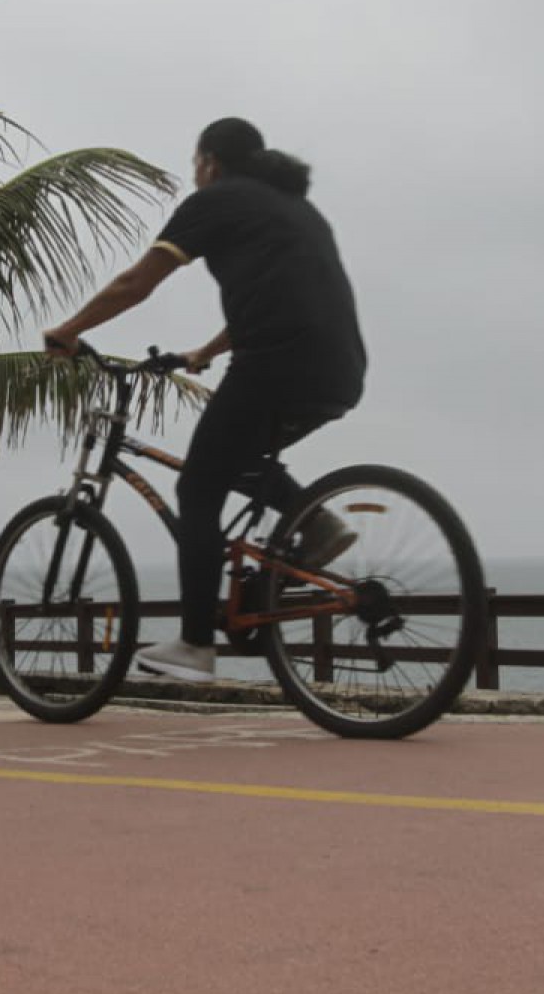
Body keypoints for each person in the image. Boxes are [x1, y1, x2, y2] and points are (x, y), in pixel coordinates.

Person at [43, 117, 366, 683]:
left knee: (197, 486)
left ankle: (195, 643)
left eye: (195, 164)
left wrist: (68, 330)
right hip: (339, 369)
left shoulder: (215, 201)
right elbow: (284, 295)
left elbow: (135, 285)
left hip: (275, 363)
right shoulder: (295, 208)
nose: (195, 174)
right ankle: (315, 522)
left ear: (210, 162)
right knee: (237, 460)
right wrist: (206, 351)